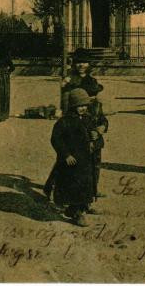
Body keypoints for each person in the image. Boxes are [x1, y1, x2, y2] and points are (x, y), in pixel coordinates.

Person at [50, 88, 95, 226]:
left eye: (85, 105)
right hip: (71, 161)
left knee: (85, 184)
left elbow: (92, 132)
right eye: (79, 106)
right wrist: (66, 155)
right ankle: (77, 213)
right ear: (73, 106)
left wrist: (94, 137)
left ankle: (82, 207)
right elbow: (56, 139)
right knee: (73, 187)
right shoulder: (64, 121)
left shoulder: (87, 119)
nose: (83, 108)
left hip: (85, 160)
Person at [84, 80, 108, 202]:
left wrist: (103, 127)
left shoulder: (98, 105)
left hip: (97, 142)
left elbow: (103, 119)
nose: (92, 98)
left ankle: (94, 190)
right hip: (84, 142)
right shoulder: (80, 107)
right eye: (90, 95)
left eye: (94, 95)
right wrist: (90, 132)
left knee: (96, 167)